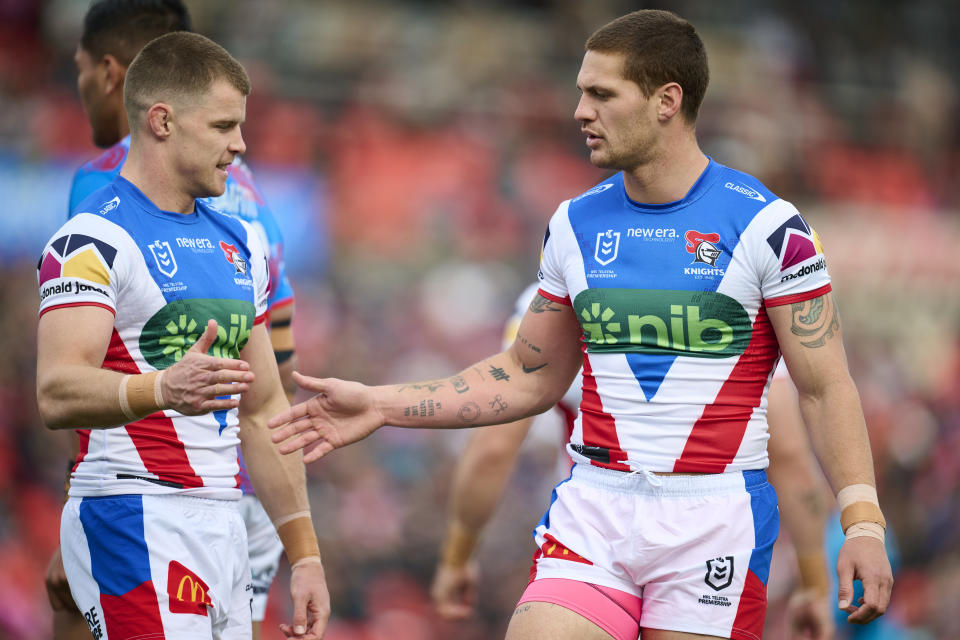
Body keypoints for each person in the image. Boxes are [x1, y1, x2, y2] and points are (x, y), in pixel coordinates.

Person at [269, 9, 893, 640]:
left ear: (665, 101)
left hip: (715, 519)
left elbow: (823, 387)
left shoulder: (768, 227)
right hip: (597, 506)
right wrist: (381, 404)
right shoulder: (572, 224)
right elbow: (527, 375)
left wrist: (862, 522)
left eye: (601, 93)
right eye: (580, 92)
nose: (579, 111)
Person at [36, 31, 328, 639]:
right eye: (224, 126)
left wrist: (305, 555)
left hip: (225, 521)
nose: (240, 146)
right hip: (131, 513)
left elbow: (265, 407)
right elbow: (57, 391)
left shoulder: (241, 242)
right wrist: (162, 388)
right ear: (162, 121)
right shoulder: (89, 240)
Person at [430, 288, 837, 640]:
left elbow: (493, 447)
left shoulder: (561, 289)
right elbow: (789, 457)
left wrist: (458, 556)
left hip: (593, 534)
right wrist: (813, 580)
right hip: (709, 537)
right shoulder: (740, 292)